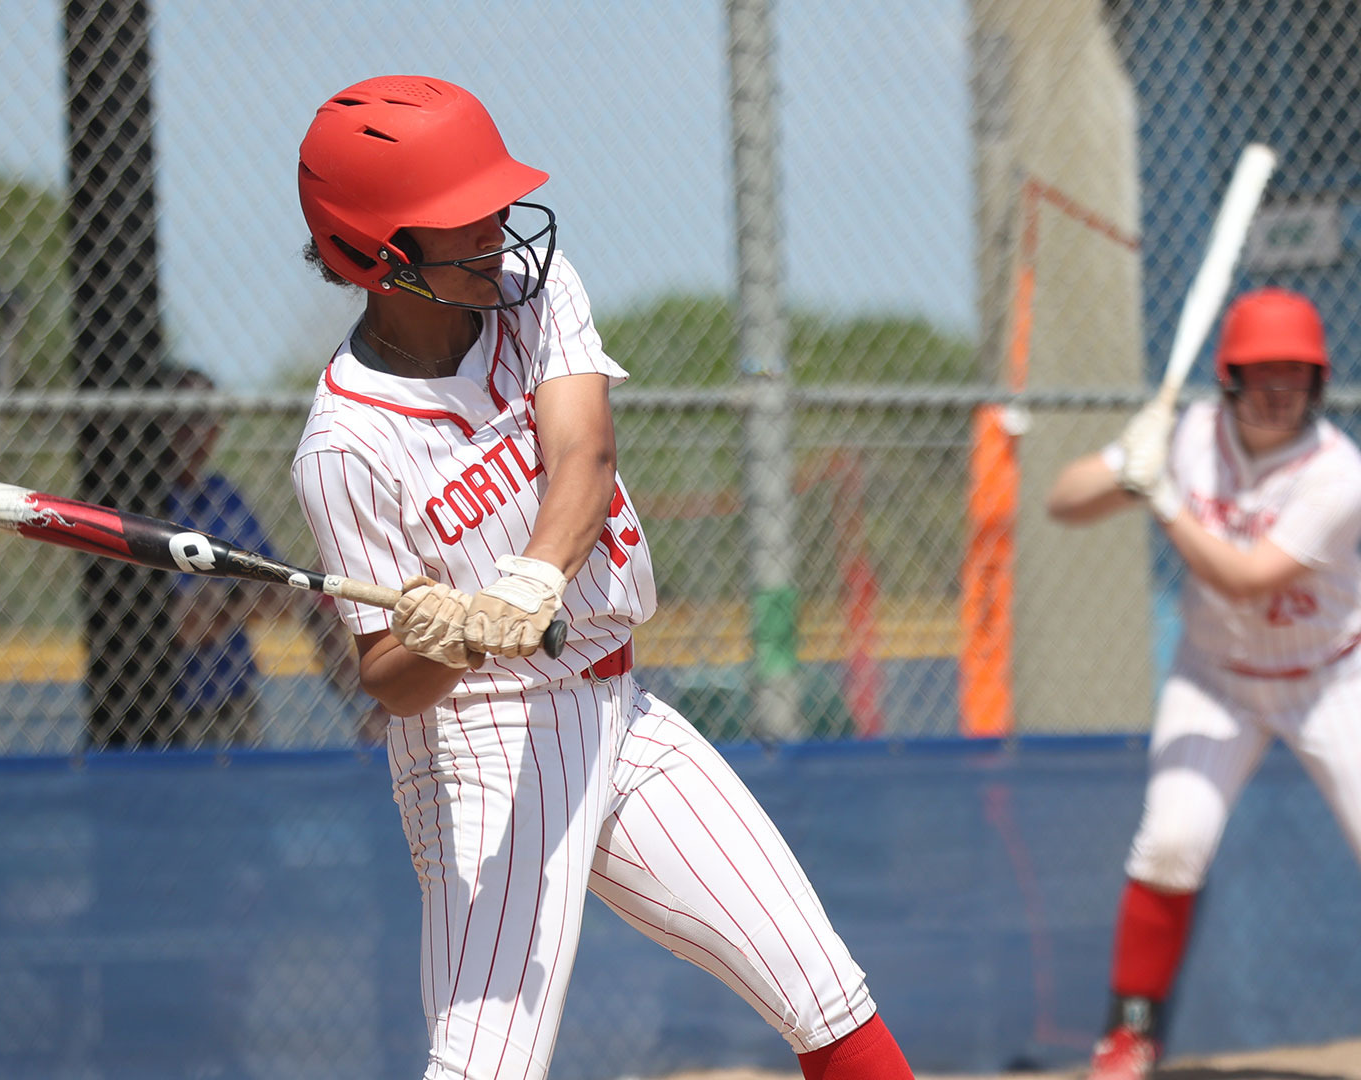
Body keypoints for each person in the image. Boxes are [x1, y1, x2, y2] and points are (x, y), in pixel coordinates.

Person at [289, 76, 915, 1080]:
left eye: (494, 203)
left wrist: (529, 581)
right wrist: (451, 640)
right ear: (379, 255)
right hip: (485, 747)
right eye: (462, 216)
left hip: (620, 712)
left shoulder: (531, 294)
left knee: (825, 993)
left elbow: (584, 453)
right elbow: (389, 679)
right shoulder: (345, 447)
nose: (497, 229)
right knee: (486, 1066)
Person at [1045, 288, 1361, 1080]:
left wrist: (1161, 500)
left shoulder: (1338, 474)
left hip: (1329, 677)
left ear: (1319, 382)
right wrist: (1126, 465)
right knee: (1172, 841)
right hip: (1216, 677)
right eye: (1263, 373)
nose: (1279, 390)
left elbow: (1245, 579)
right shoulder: (1187, 436)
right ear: (1230, 378)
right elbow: (1062, 502)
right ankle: (1129, 1034)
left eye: (1296, 374)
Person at [155, 364, 366, 747]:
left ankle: (367, 704)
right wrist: (241, 594)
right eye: (189, 418)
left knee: (319, 591)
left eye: (210, 418)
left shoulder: (221, 495)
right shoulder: (151, 501)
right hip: (167, 700)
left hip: (231, 693)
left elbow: (281, 593)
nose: (203, 431)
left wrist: (226, 597)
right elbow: (186, 625)